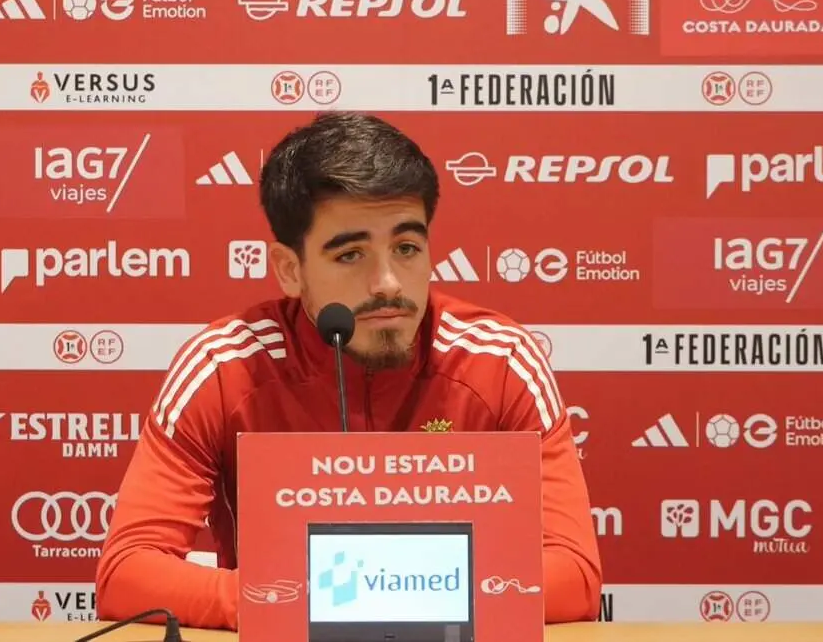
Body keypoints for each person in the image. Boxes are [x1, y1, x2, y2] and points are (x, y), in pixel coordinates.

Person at [95, 112, 602, 629]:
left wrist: (361, 598)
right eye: (350, 254)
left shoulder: (499, 361)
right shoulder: (225, 367)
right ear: (290, 270)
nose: (387, 283)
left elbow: (574, 577)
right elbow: (128, 574)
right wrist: (306, 605)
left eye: (406, 248)